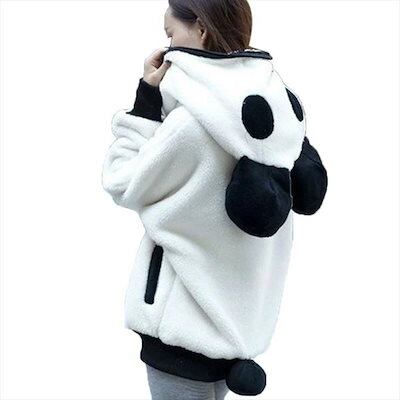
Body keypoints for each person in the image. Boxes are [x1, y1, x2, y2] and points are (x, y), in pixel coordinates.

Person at [101, 1, 328, 399]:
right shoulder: (280, 113)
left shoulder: (192, 124)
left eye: (170, 34)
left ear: (201, 30)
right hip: (236, 328)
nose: (167, 47)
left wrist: (146, 101)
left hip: (182, 328)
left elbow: (122, 180)